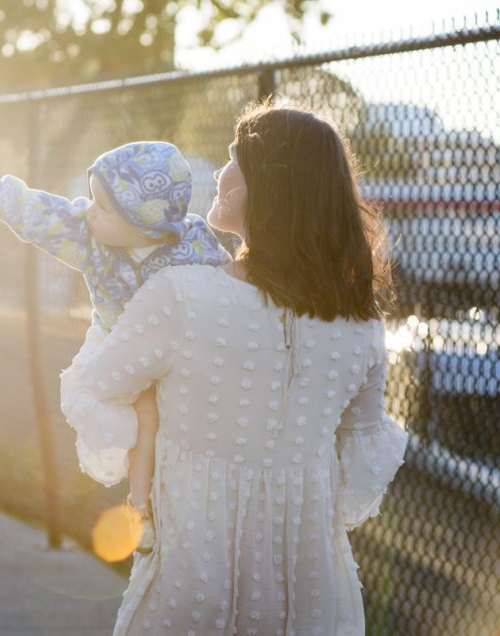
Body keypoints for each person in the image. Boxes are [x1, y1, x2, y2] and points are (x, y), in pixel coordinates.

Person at [59, 103, 410, 635]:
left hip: (193, 575)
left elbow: (95, 390)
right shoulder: (360, 324)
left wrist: (112, 321)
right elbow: (360, 463)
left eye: (233, 159)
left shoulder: (181, 295)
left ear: (270, 185)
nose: (221, 175)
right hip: (311, 586)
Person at [0, 141, 231, 553]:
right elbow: (47, 216)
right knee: (137, 413)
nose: (89, 210)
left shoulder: (192, 246)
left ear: (143, 223)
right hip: (113, 341)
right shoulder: (91, 238)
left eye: (102, 207)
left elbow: (226, 283)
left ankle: (161, 503)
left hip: (170, 349)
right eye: (91, 199)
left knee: (161, 415)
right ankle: (141, 506)